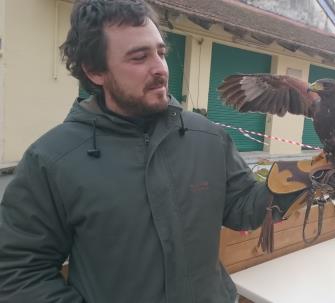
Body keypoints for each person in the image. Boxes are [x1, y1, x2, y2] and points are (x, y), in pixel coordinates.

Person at [0, 1, 299, 302]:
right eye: (139, 57)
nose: (160, 68)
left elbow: (244, 209)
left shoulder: (208, 137)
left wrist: (308, 177)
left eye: (161, 52)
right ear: (94, 71)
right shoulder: (51, 160)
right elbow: (18, 273)